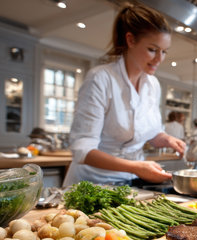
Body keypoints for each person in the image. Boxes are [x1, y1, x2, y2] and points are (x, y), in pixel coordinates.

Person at [63, 3, 186, 186]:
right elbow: (83, 150)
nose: (159, 59)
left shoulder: (153, 84)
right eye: (152, 49)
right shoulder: (101, 79)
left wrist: (167, 139)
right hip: (91, 183)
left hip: (129, 183)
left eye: (164, 51)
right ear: (130, 40)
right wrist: (136, 167)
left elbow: (148, 133)